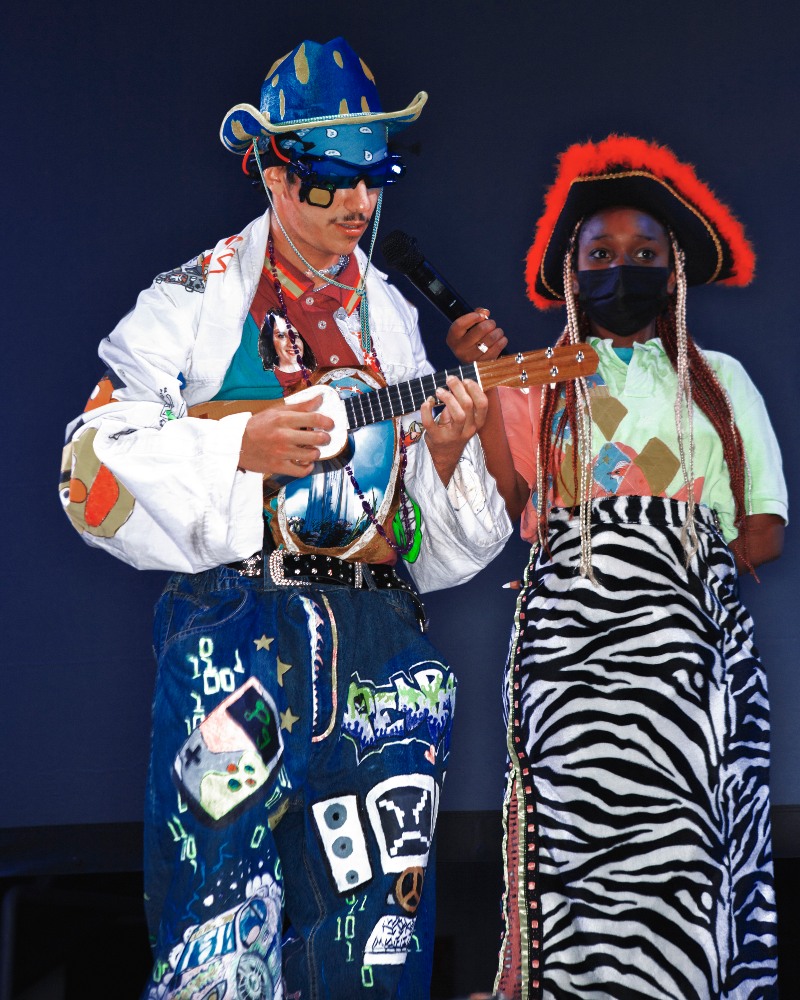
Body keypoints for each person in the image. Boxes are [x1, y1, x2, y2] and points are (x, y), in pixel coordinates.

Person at [59, 37, 511, 999]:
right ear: (271, 171)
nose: (358, 203)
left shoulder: (393, 319)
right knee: (217, 932)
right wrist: (238, 446)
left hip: (381, 652)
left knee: (379, 943)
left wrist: (444, 458)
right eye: (329, 181)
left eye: (374, 178)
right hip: (237, 644)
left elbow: (423, 546)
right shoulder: (192, 297)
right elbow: (86, 466)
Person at [447, 135, 787, 999]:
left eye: (644, 253)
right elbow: (514, 502)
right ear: (572, 271)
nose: (622, 267)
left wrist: (673, 567)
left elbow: (765, 528)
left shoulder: (720, 378)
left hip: (689, 654)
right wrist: (483, 384)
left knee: (691, 845)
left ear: (674, 271)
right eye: (600, 254)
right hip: (575, 650)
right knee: (576, 846)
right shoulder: (534, 377)